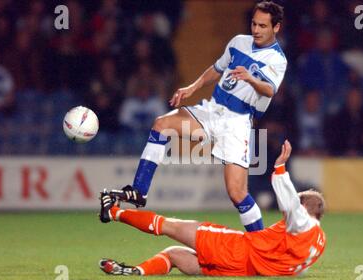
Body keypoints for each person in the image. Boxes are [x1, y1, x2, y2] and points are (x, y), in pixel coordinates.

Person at [109, 1, 287, 232]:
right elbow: (217, 69)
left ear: (276, 28)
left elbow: (269, 90)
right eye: (254, 23)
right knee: (162, 124)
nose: (256, 30)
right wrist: (192, 88)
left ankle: (262, 244)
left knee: (237, 194)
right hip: (213, 109)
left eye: (263, 26)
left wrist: (251, 79)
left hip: (237, 122)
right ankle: (139, 191)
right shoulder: (238, 42)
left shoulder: (277, 59)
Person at [98, 140, 326, 277]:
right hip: (243, 271)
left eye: (298, 201)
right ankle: (135, 271)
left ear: (305, 207)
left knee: (170, 226)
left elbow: (291, 204)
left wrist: (279, 168)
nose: (289, 212)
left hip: (236, 249)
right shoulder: (318, 243)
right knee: (174, 254)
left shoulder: (303, 221)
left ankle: (113, 212)